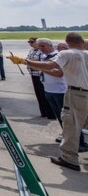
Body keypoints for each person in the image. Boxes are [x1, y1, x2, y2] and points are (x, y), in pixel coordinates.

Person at [9, 32, 88, 171]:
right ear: (82, 42)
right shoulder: (85, 54)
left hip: (76, 93)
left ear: (67, 42)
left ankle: (69, 159)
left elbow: (51, 66)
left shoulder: (67, 54)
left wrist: (24, 61)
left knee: (71, 126)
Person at [26, 38, 55, 119]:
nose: (30, 43)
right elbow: (28, 59)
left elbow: (41, 62)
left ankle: (50, 114)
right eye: (29, 42)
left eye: (32, 42)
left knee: (44, 94)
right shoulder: (32, 50)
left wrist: (30, 61)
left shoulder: (41, 52)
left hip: (40, 74)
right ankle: (43, 112)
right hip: (33, 74)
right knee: (38, 94)